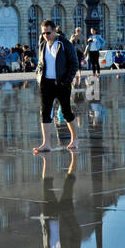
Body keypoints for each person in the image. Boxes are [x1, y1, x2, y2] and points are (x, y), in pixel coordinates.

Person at [34, 20, 78, 153]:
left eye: (48, 32)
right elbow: (41, 63)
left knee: (66, 112)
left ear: (54, 31)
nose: (45, 35)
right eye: (43, 33)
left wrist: (66, 81)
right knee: (45, 113)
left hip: (61, 83)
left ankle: (75, 139)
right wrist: (38, 75)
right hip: (46, 83)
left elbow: (74, 64)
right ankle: (46, 143)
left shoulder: (64, 44)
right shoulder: (42, 45)